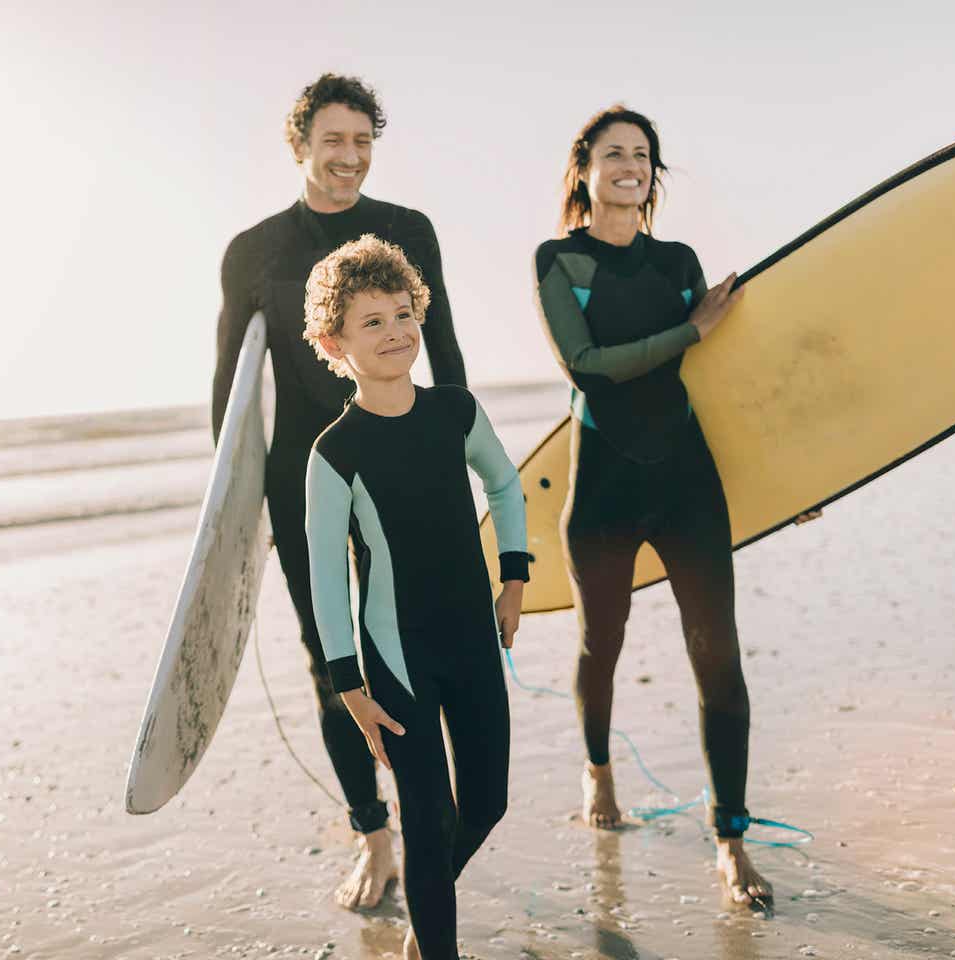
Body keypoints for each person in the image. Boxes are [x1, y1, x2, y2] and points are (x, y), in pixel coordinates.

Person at [212, 73, 469, 908]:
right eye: (334, 141)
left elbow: (449, 360)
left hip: (401, 467)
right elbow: (230, 396)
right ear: (302, 146)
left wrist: (457, 462)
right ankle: (374, 833)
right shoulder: (255, 251)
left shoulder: (407, 231)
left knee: (416, 645)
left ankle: (428, 813)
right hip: (303, 476)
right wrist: (234, 519)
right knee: (335, 663)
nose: (349, 157)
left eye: (363, 141)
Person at [532, 105, 785, 908]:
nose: (630, 166)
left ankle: (731, 838)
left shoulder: (677, 260)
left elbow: (716, 382)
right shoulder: (558, 259)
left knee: (720, 659)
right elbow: (588, 367)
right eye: (614, 154)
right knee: (600, 645)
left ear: (653, 174)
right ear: (585, 171)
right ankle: (599, 769)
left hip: (686, 482)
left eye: (643, 155)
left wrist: (791, 479)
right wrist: (692, 330)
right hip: (603, 486)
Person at [303, 234, 527, 959]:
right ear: (335, 342)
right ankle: (436, 944)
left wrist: (515, 579)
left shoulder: (455, 412)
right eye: (373, 321)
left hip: (470, 638)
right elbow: (325, 576)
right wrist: (348, 687)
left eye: (404, 313)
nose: (396, 330)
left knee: (486, 803)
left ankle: (426, 909)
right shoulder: (334, 452)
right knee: (427, 817)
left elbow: (505, 482)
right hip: (397, 656)